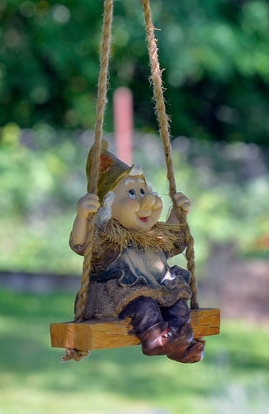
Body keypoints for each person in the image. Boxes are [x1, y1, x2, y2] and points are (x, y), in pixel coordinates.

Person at [70, 147, 204, 363]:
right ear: (108, 207)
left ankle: (180, 341)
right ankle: (155, 338)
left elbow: (173, 241)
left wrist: (177, 214)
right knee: (145, 306)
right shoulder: (109, 237)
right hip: (122, 294)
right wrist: (82, 217)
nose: (145, 200)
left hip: (158, 288)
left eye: (143, 191)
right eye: (131, 193)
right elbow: (81, 245)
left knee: (178, 303)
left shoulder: (152, 235)